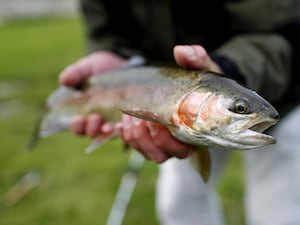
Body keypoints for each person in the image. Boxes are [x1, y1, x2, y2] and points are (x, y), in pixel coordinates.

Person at [59, 1, 300, 224]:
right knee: (179, 203)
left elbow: (281, 30)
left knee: (278, 211)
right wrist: (111, 53)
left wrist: (226, 69)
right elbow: (107, 26)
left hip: (282, 85)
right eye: (239, 110)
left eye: (239, 110)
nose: (240, 111)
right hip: (176, 96)